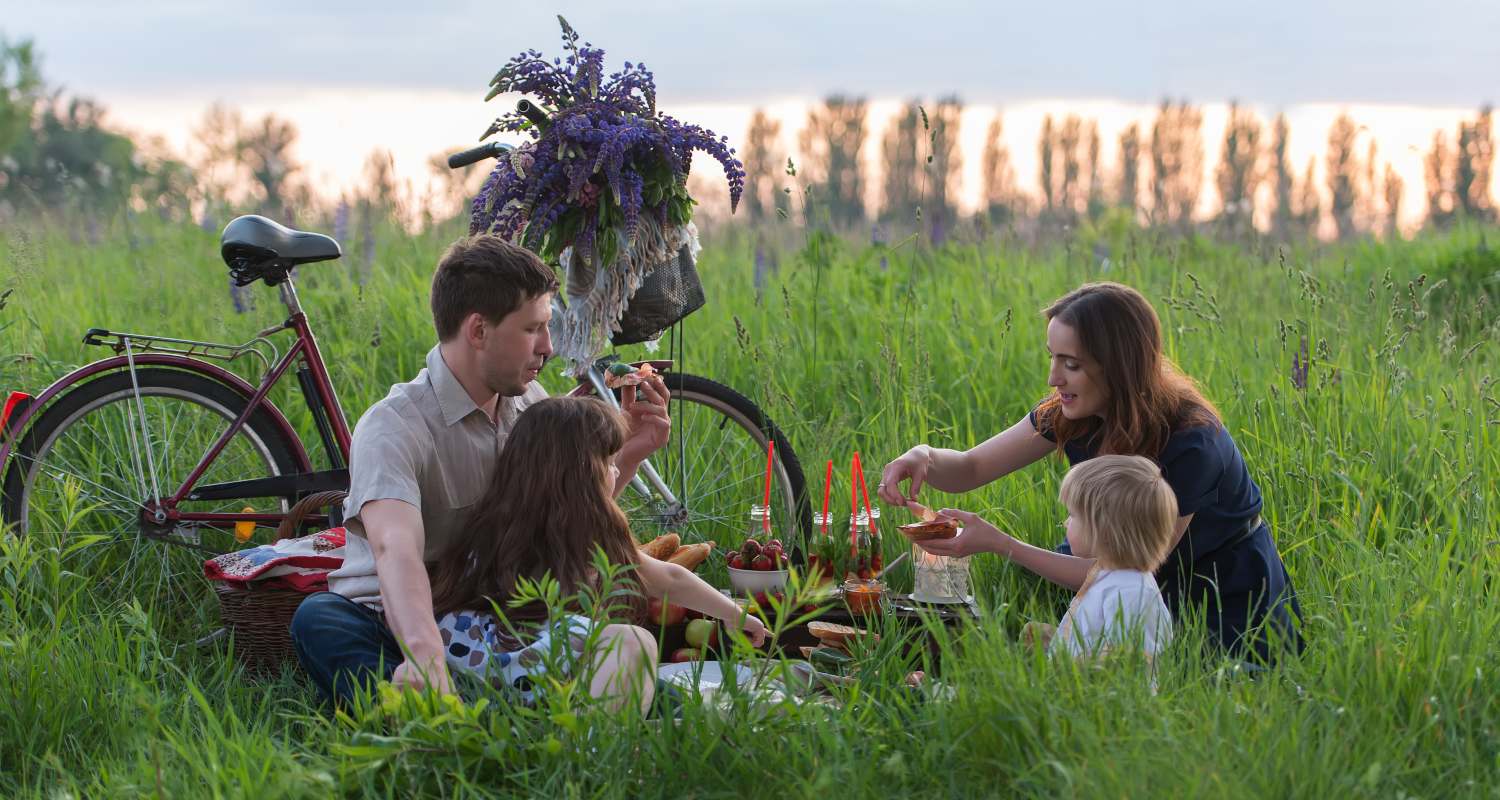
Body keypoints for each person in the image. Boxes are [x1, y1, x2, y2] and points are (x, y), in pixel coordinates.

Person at [291, 235, 673, 707]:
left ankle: (498, 716)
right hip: (397, 621)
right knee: (320, 620)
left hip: (497, 620)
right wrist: (426, 654)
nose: (548, 347)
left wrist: (628, 452)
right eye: (533, 329)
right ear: (478, 331)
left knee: (653, 679)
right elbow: (396, 551)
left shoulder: (532, 407)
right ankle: (449, 718)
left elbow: (572, 515)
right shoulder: (394, 425)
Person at [880, 281, 1302, 662]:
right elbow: (971, 468)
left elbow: (1125, 566)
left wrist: (1001, 543)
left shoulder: (1193, 442)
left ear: (1118, 365)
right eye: (1053, 359)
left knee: (1185, 680)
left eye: (1071, 364)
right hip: (1127, 593)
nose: (1053, 378)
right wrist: (924, 457)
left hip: (1224, 601)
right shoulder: (1072, 413)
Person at [428, 397, 767, 713]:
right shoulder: (587, 530)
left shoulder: (501, 514)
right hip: (517, 660)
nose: (616, 471)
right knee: (632, 644)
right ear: (582, 476)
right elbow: (667, 578)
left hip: (464, 657)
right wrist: (734, 613)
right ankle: (591, 757)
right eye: (608, 463)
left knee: (662, 690)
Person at [1010, 455, 1175, 661]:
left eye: (1073, 515)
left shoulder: (1131, 592)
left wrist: (1071, 666)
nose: (1065, 522)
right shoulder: (1108, 573)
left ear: (1105, 531)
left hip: (1091, 689)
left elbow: (1128, 663)